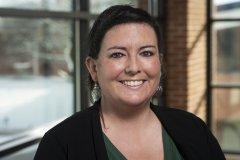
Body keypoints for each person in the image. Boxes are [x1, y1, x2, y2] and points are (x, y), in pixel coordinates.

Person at [34, 5, 226, 160]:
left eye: (146, 53)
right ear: (93, 68)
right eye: (117, 54)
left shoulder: (193, 129)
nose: (133, 67)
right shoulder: (60, 144)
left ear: (159, 62)